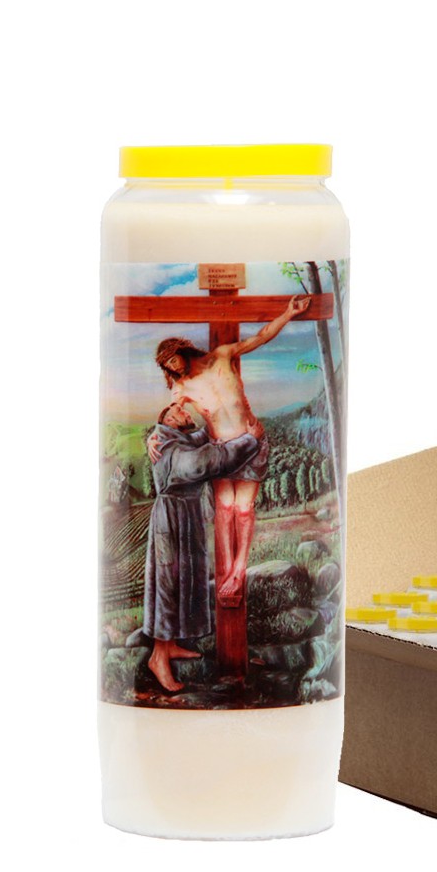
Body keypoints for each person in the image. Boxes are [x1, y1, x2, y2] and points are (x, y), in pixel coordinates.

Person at [155, 292, 310, 606]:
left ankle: (239, 570)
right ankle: (227, 571)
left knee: (244, 509)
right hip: (222, 451)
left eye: (173, 359)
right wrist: (153, 437)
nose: (173, 367)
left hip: (252, 441)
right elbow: (169, 415)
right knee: (225, 510)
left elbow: (261, 337)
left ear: (182, 351)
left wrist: (288, 314)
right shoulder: (181, 387)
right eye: (168, 365)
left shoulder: (222, 356)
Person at [143, 402, 259, 693]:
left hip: (185, 518)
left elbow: (200, 438)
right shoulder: (168, 448)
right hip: (171, 522)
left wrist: (212, 419)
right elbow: (207, 461)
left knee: (184, 582)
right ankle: (158, 658)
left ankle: (170, 645)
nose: (185, 411)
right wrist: (250, 441)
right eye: (178, 411)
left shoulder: (175, 439)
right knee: (168, 586)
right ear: (170, 421)